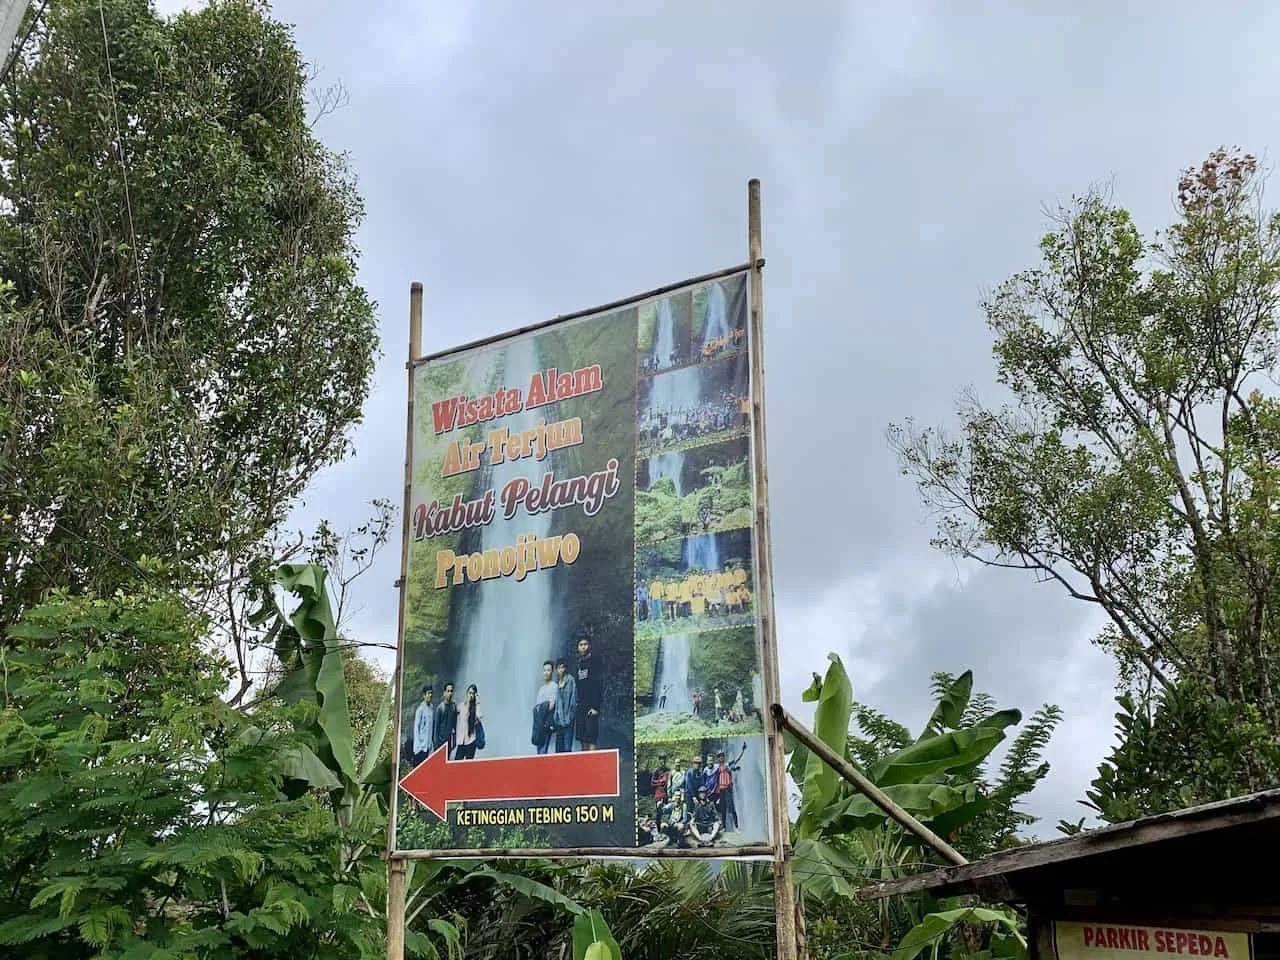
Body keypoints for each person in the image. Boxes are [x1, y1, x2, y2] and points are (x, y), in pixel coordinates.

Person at [574, 636, 601, 751]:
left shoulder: (595, 662)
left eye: (585, 644)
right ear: (578, 647)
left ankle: (593, 763)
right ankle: (585, 765)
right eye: (581, 645)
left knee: (591, 737)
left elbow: (599, 684)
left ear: (589, 646)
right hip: (581, 706)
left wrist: (596, 707)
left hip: (591, 706)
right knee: (582, 737)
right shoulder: (578, 664)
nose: (583, 647)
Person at [712, 745, 746, 831]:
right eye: (719, 757)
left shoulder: (727, 765)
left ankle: (737, 826)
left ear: (724, 757)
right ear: (717, 758)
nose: (721, 758)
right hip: (721, 791)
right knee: (723, 809)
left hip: (727, 789)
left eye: (722, 756)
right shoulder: (716, 767)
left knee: (732, 808)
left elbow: (736, 760)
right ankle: (724, 827)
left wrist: (742, 751)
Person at [532, 661, 558, 754]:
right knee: (539, 748)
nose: (546, 672)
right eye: (544, 670)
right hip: (539, 724)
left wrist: (541, 708)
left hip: (547, 723)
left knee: (543, 749)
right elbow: (536, 707)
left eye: (548, 670)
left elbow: (551, 705)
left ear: (552, 672)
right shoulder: (541, 688)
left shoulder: (554, 686)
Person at [552, 659, 577, 752]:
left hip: (568, 720)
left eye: (563, 667)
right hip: (559, 721)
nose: (561, 670)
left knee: (567, 748)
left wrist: (570, 717)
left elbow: (573, 699)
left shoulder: (570, 680)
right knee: (558, 748)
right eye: (559, 668)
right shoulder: (557, 682)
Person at [454, 684, 483, 760]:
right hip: (461, 741)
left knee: (468, 765)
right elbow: (453, 714)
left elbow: (480, 716)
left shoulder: (475, 708)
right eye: (470, 693)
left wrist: (478, 702)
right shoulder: (461, 706)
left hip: (471, 741)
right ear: (466, 693)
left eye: (473, 693)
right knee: (457, 763)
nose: (471, 695)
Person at [411, 684, 435, 765]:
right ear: (424, 695)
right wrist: (418, 746)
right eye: (428, 693)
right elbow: (416, 729)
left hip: (429, 746)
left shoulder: (431, 708)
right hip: (421, 747)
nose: (430, 695)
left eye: (431, 693)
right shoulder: (420, 710)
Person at [434, 682, 458, 754]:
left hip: (449, 742)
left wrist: (454, 740)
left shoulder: (453, 706)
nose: (450, 693)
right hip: (440, 742)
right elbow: (436, 728)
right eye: (448, 691)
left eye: (451, 691)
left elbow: (455, 725)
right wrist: (436, 745)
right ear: (444, 693)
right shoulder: (440, 708)